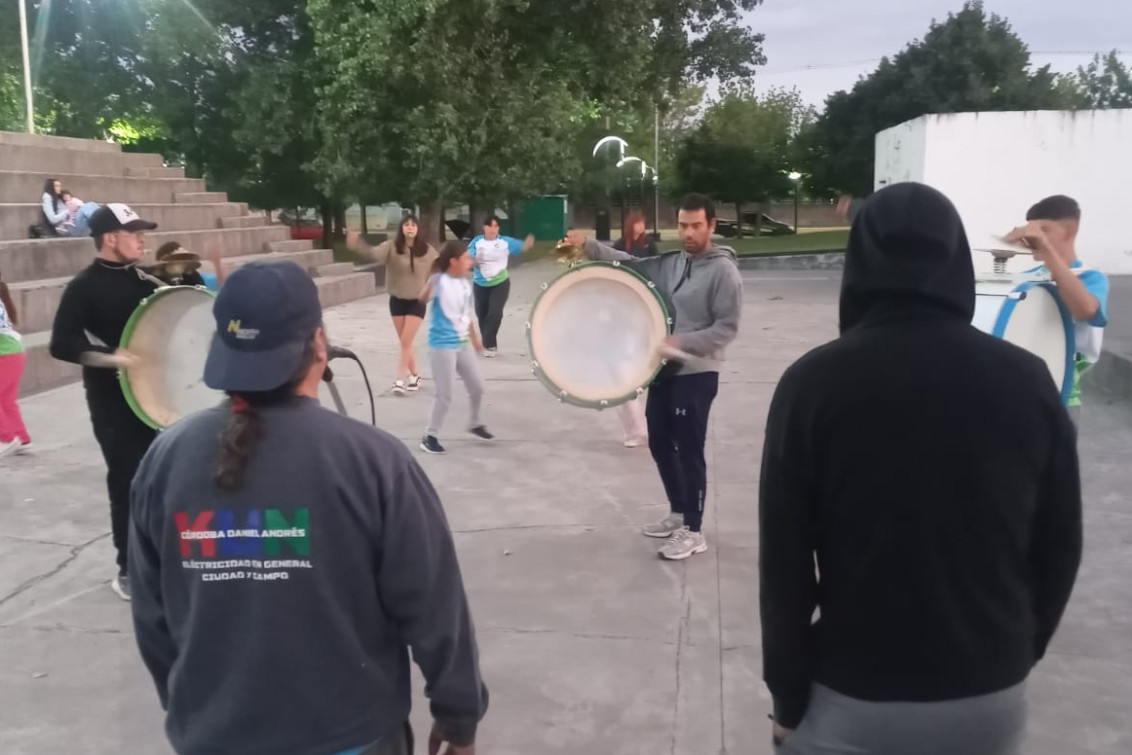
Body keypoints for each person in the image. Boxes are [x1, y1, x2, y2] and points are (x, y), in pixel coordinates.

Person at [759, 183, 1082, 755]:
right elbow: (1060, 545)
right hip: (990, 694)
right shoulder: (1028, 380)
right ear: (956, 259)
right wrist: (1016, 649)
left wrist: (787, 706)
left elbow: (785, 569)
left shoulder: (812, 386)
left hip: (855, 694)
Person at [128, 261, 488, 755]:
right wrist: (459, 714)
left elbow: (153, 618)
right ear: (318, 344)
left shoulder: (165, 460)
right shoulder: (374, 462)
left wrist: (196, 708)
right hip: (353, 736)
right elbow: (434, 607)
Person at [565, 193, 743, 561]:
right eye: (682, 225)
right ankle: (679, 512)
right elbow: (633, 265)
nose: (688, 233)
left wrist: (682, 341)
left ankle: (694, 531)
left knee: (689, 450)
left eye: (696, 226)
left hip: (697, 371)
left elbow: (726, 327)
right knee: (660, 442)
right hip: (664, 368)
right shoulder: (674, 262)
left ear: (711, 225)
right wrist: (590, 246)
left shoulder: (724, 271)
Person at [49, 203, 161, 600]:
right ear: (110, 239)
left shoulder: (146, 281)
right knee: (127, 482)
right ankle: (128, 568)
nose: (142, 239)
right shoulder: (83, 286)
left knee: (161, 480)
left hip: (156, 398)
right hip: (113, 402)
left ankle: (162, 557)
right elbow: (61, 343)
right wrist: (112, 357)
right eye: (134, 233)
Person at [1004, 195, 1108, 426]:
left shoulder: (1090, 278)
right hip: (1020, 395)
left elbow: (1086, 310)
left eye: (1044, 230)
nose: (1035, 237)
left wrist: (1048, 252)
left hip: (1060, 398)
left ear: (1070, 231)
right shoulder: (1029, 278)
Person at [347, 216, 439, 394]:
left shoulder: (426, 250)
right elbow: (372, 253)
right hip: (397, 300)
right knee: (405, 342)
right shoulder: (391, 247)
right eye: (406, 224)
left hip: (417, 301)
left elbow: (439, 267)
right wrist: (356, 242)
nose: (410, 227)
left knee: (406, 340)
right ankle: (415, 376)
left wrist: (434, 288)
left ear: (418, 228)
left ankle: (399, 380)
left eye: (413, 224)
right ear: (401, 228)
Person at [418, 241, 493, 455]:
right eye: (466, 258)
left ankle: (474, 423)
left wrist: (476, 339)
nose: (470, 262)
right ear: (453, 262)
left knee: (477, 387)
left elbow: (467, 315)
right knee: (445, 394)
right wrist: (429, 283)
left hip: (462, 343)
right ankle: (429, 436)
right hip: (442, 345)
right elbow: (422, 298)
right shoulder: (438, 280)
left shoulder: (464, 284)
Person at [467, 215, 534, 357]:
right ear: (484, 227)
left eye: (496, 226)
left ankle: (489, 345)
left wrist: (527, 244)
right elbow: (470, 257)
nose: (493, 229)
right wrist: (474, 261)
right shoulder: (477, 242)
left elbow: (522, 246)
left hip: (500, 282)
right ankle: (487, 342)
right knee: (482, 314)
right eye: (490, 226)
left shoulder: (505, 242)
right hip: (480, 283)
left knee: (495, 313)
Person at [0, 271, 31, 458]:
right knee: (6, 400)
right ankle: (21, 437)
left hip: (6, 354)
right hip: (14, 352)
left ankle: (6, 438)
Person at [149, 240, 227, 290]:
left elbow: (223, 285)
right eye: (178, 258)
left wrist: (217, 264)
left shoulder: (192, 275)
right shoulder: (153, 279)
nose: (184, 262)